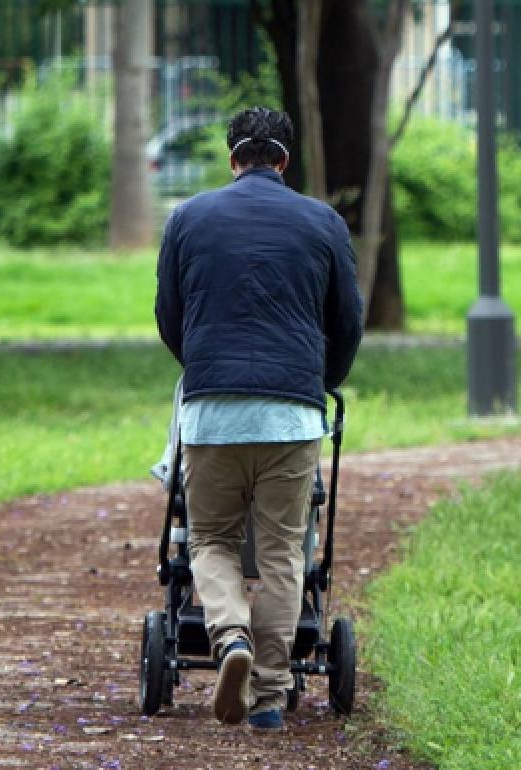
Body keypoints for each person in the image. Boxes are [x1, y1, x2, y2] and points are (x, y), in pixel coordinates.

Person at [153, 106, 363, 730]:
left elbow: (170, 317)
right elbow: (347, 324)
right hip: (293, 417)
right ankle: (270, 697)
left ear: (231, 157)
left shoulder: (187, 217)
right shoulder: (323, 221)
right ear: (284, 161)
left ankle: (230, 638)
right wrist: (317, 383)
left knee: (211, 539)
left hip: (213, 413)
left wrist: (206, 368)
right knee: (281, 552)